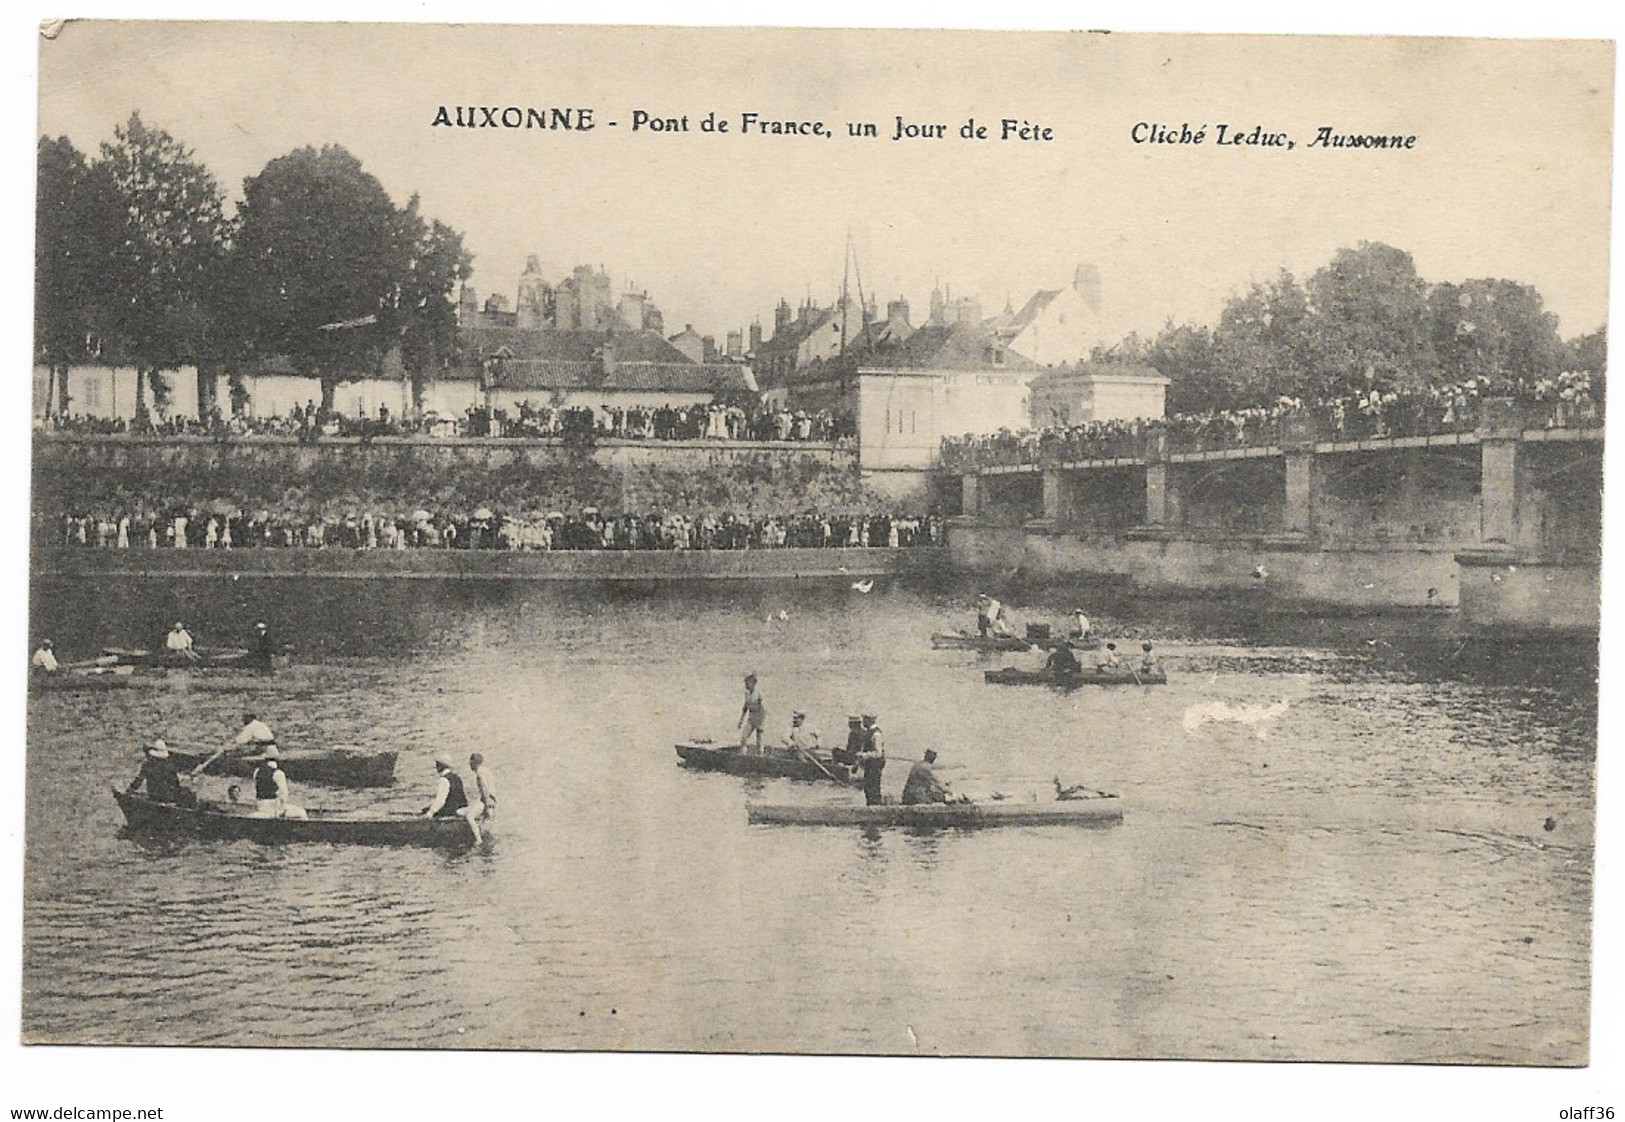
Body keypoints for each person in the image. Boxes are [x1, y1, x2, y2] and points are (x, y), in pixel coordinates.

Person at [423, 756, 481, 843]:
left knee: (425, 810)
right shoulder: (457, 777)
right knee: (429, 807)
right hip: (460, 807)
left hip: (451, 810)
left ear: (439, 766)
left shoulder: (444, 780)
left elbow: (441, 800)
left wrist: (430, 812)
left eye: (437, 765)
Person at [126, 740, 196, 808]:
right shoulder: (170, 764)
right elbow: (175, 783)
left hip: (154, 796)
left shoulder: (148, 764)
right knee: (188, 792)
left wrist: (129, 791)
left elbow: (137, 782)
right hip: (170, 797)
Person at [250, 746, 303, 818]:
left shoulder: (257, 772)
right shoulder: (278, 773)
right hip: (274, 808)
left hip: (260, 806)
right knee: (302, 813)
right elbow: (284, 795)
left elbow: (255, 791)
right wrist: (281, 809)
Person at [856, 713, 886, 806]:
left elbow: (878, 753)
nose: (863, 721)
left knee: (873, 788)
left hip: (875, 764)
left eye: (865, 719)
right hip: (870, 765)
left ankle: (875, 806)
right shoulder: (869, 732)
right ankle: (871, 805)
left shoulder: (876, 734)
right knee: (868, 788)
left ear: (870, 720)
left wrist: (864, 755)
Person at [737, 674, 767, 754]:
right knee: (744, 737)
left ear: (753, 683)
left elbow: (764, 709)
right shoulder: (747, 694)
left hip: (759, 717)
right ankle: (743, 754)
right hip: (751, 717)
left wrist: (761, 722)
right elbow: (745, 707)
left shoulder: (759, 693)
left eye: (747, 683)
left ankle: (761, 756)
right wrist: (741, 720)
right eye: (745, 683)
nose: (746, 685)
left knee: (759, 740)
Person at [469, 752, 497, 822]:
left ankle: (476, 833)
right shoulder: (485, 770)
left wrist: (486, 804)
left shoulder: (479, 773)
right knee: (488, 820)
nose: (469, 765)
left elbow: (484, 787)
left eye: (470, 762)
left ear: (474, 763)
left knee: (470, 816)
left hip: (488, 800)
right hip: (492, 799)